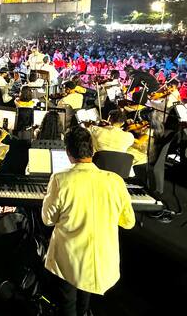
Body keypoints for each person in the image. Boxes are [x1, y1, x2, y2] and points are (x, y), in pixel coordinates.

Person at [42, 127, 135, 316]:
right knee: (85, 296)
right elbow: (128, 222)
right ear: (92, 150)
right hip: (101, 260)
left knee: (68, 301)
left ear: (68, 152)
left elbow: (48, 219)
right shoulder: (115, 181)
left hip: (70, 259)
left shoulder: (60, 179)